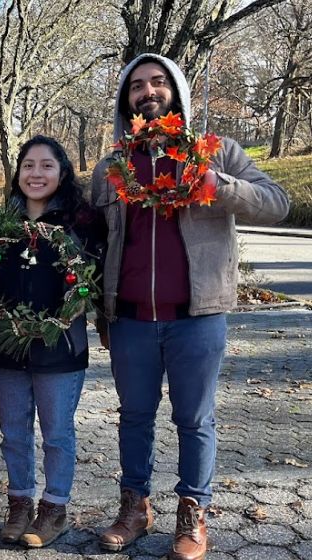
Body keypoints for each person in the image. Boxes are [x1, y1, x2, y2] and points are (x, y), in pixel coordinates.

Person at [91, 53, 290, 560]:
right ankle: (134, 506)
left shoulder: (216, 152)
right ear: (126, 99)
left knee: (195, 419)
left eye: (158, 82)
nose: (147, 91)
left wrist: (218, 187)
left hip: (197, 317)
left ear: (175, 90)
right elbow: (92, 239)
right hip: (131, 318)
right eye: (137, 86)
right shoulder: (112, 166)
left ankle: (192, 514)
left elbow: (277, 202)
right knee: (134, 416)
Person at [0, 135, 105, 548]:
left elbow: (92, 282)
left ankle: (54, 509)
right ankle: (19, 503)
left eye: (46, 165)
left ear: (62, 172)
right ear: (17, 174)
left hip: (60, 348)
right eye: (28, 166)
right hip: (8, 347)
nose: (36, 174)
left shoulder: (82, 224)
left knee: (56, 433)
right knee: (13, 431)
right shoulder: (1, 226)